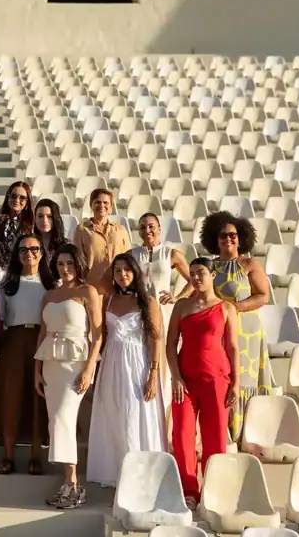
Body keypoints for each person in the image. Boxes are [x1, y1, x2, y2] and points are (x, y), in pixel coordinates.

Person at [166, 257, 239, 510]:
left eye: (201, 273)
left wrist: (236, 383)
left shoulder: (226, 308)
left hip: (216, 379)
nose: (196, 278)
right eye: (193, 273)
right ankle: (189, 491)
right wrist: (175, 376)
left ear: (212, 275)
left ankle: (213, 489)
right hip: (185, 382)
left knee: (215, 437)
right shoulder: (182, 306)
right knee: (182, 435)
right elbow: (170, 344)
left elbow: (232, 347)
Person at [87, 252, 165, 488]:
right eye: (118, 270)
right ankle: (116, 472)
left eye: (127, 270)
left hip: (138, 364)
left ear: (135, 272)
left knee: (133, 414)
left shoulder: (148, 301)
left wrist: (153, 374)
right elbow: (101, 336)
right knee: (113, 415)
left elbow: (156, 339)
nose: (122, 275)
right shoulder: (108, 300)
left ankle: (138, 476)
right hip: (111, 363)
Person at [34, 243, 101, 509]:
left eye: (70, 263)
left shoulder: (88, 291)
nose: (65, 268)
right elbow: (42, 334)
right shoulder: (49, 295)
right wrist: (36, 371)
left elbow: (98, 334)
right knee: (56, 422)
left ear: (78, 264)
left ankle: (73, 483)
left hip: (76, 363)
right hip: (50, 363)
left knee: (63, 419)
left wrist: (89, 367)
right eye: (61, 264)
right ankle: (69, 482)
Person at [199, 211, 272, 441]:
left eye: (233, 235)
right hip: (219, 329)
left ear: (241, 238)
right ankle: (226, 434)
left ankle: (246, 435)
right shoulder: (210, 266)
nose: (228, 239)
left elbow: (263, 296)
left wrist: (234, 308)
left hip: (246, 330)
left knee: (244, 378)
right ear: (215, 238)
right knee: (225, 377)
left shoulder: (249, 264)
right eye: (223, 235)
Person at [0, 234, 55, 476]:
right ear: (17, 255)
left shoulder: (51, 284)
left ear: (42, 253)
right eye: (24, 250)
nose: (29, 253)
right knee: (11, 398)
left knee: (39, 399)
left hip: (43, 341)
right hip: (14, 342)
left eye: (34, 249)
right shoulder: (7, 285)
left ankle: (35, 455)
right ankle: (8, 455)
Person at [130, 212, 193, 438]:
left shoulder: (171, 254)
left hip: (164, 315)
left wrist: (178, 297)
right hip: (138, 315)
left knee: (164, 366)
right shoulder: (132, 255)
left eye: (151, 226)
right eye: (143, 227)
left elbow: (193, 280)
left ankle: (165, 430)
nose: (147, 230)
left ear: (159, 228)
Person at [73, 188, 131, 287]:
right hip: (92, 285)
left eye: (105, 203)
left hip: (118, 286)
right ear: (91, 205)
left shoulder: (120, 230)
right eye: (97, 202)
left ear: (111, 207)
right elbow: (78, 260)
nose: (102, 205)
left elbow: (128, 258)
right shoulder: (82, 229)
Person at [0, 182, 34, 267]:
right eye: (13, 196)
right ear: (8, 198)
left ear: (27, 202)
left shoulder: (32, 226)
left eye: (22, 198)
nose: (17, 200)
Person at [33, 198, 69, 266]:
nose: (44, 220)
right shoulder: (28, 244)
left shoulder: (66, 245)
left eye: (49, 216)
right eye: (40, 216)